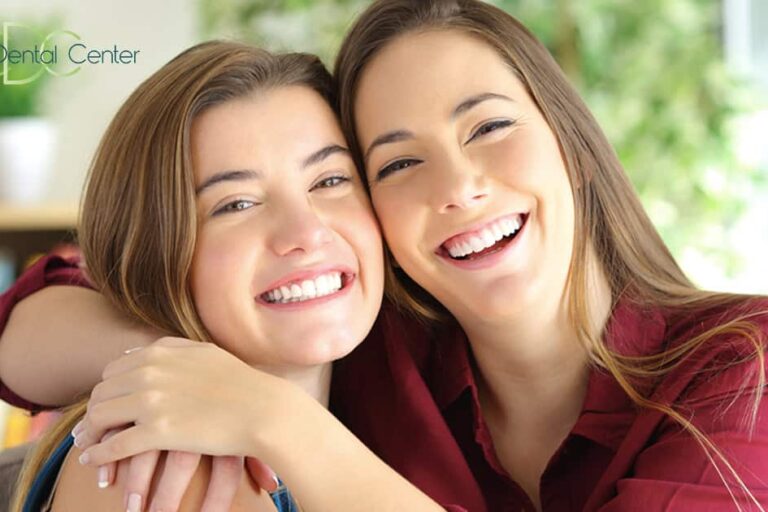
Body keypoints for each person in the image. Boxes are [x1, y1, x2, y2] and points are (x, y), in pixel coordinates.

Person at [2, 1, 768, 510]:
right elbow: (29, 314)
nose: (459, 188)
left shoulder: (742, 366)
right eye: (398, 163)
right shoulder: (364, 347)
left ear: (573, 141)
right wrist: (181, 367)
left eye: (489, 127)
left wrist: (269, 413)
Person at [5, 39, 449, 512]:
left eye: (330, 180)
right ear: (156, 254)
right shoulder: (176, 472)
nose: (307, 232)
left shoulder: (399, 365)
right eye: (237, 204)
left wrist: (278, 417)